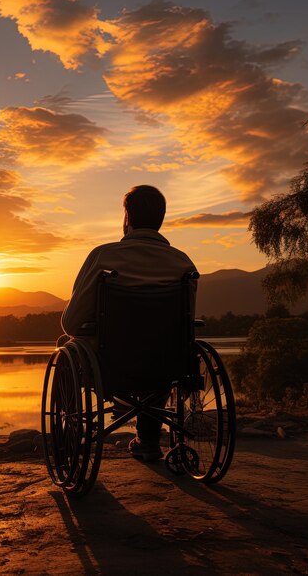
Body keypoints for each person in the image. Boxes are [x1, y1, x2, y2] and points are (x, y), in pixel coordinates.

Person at [61, 185, 197, 461]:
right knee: (160, 350)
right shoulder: (183, 263)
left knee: (66, 345)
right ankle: (147, 441)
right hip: (165, 364)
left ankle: (72, 438)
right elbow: (186, 327)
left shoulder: (104, 256)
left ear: (126, 217)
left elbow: (71, 322)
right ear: (161, 218)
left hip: (111, 364)